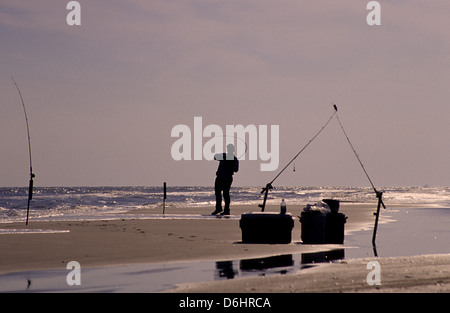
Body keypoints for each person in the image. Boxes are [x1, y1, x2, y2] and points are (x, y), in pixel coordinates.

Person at [211, 144, 239, 215]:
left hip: (227, 178)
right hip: (220, 177)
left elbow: (236, 170)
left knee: (225, 194)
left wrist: (231, 164)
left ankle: (226, 210)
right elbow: (214, 157)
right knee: (218, 193)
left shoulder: (234, 159)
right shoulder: (224, 156)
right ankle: (219, 208)